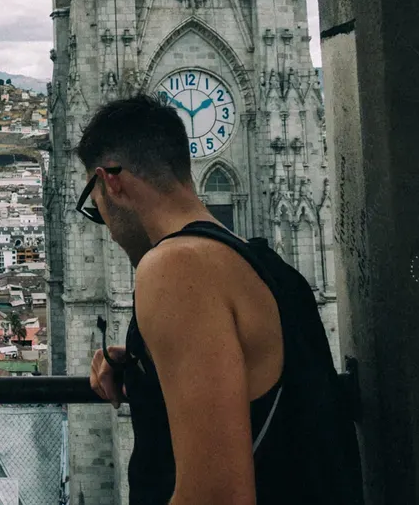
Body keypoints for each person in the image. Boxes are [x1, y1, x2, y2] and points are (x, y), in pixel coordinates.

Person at [80, 95, 363, 505]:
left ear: (111, 183)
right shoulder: (265, 266)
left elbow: (216, 497)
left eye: (95, 208)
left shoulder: (174, 266)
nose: (104, 225)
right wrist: (150, 366)